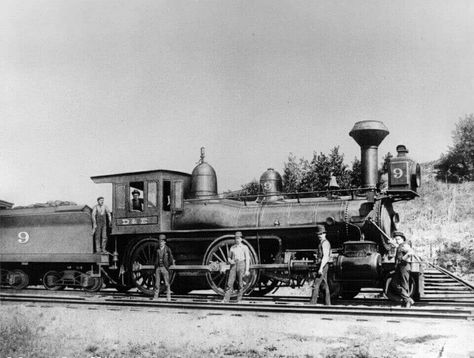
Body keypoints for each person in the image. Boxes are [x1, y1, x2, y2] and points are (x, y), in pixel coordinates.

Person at [387, 231, 415, 308]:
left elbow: (411, 252)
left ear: (402, 239)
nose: (397, 240)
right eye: (395, 239)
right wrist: (391, 242)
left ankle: (407, 302)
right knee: (394, 283)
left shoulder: (404, 245)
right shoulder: (400, 245)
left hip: (404, 266)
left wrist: (403, 258)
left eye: (398, 239)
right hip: (400, 267)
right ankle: (407, 299)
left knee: (404, 284)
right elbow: (396, 245)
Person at [222, 231, 250, 303]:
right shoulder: (232, 248)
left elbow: (247, 259)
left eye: (238, 238)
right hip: (233, 265)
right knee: (230, 282)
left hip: (241, 264)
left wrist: (247, 270)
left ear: (241, 239)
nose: (237, 240)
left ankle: (239, 300)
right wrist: (230, 261)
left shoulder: (245, 247)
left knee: (241, 283)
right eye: (236, 238)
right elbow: (229, 258)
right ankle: (226, 300)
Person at [310, 225, 331, 305]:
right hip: (324, 265)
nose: (320, 235)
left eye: (321, 234)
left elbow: (325, 257)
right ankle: (328, 303)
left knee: (316, 283)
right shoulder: (323, 242)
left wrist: (320, 268)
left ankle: (312, 302)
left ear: (325, 234)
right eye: (319, 234)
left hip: (323, 265)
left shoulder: (325, 243)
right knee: (325, 284)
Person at [154, 234, 174, 301]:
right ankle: (156, 296)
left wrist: (167, 266)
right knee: (157, 283)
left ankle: (168, 297)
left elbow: (170, 259)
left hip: (164, 268)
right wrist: (155, 266)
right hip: (158, 268)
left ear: (164, 242)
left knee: (166, 283)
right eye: (160, 241)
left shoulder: (167, 249)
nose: (160, 243)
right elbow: (155, 258)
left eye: (162, 241)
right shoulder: (157, 250)